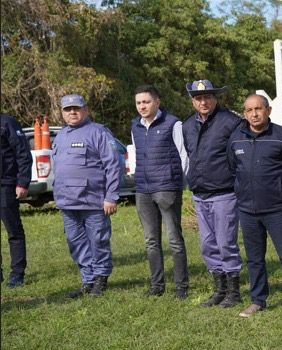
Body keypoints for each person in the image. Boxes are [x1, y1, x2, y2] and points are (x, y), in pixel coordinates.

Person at [228, 94, 282, 320]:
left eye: (258, 109)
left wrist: (279, 189)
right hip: (247, 210)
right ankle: (258, 300)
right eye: (249, 110)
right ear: (244, 113)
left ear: (268, 110)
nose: (254, 114)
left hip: (277, 209)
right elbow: (233, 169)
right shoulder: (235, 139)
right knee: (254, 258)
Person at [52, 94, 122, 298]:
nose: (72, 112)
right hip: (67, 202)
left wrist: (111, 196)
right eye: (67, 109)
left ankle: (101, 278)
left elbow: (113, 165)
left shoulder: (99, 132)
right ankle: (87, 280)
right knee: (76, 242)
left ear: (86, 110)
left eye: (76, 108)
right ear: (63, 113)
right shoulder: (61, 135)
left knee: (98, 241)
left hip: (94, 201)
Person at [182, 79, 243, 308]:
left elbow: (239, 157)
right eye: (198, 98)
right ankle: (219, 288)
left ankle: (234, 291)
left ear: (215, 98)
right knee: (208, 244)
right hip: (200, 194)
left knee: (226, 242)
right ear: (193, 101)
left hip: (224, 193)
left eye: (207, 97)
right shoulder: (188, 126)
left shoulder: (231, 122)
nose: (203, 101)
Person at [131, 85, 190, 299]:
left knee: (174, 239)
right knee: (151, 240)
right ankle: (157, 285)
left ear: (157, 101)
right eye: (138, 103)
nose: (142, 106)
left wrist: (176, 182)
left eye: (146, 102)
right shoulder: (135, 126)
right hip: (143, 190)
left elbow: (184, 156)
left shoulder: (173, 124)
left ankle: (181, 287)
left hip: (167, 188)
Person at [1, 113, 32, 288]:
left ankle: (17, 273)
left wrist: (22, 182)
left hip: (5, 185)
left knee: (13, 230)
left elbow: (23, 154)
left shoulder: (7, 123)